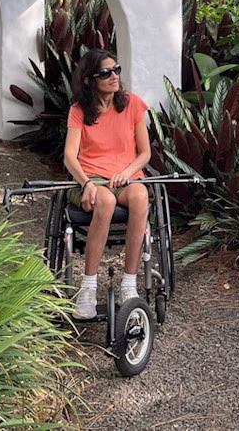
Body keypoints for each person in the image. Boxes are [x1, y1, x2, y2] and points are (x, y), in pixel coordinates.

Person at [62, 48, 151, 320]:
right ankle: (88, 287)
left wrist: (127, 171)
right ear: (89, 80)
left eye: (116, 70)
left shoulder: (132, 104)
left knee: (140, 196)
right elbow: (69, 155)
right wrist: (87, 183)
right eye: (105, 72)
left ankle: (129, 283)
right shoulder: (78, 111)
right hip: (91, 180)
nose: (114, 76)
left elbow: (145, 153)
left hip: (125, 175)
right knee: (106, 200)